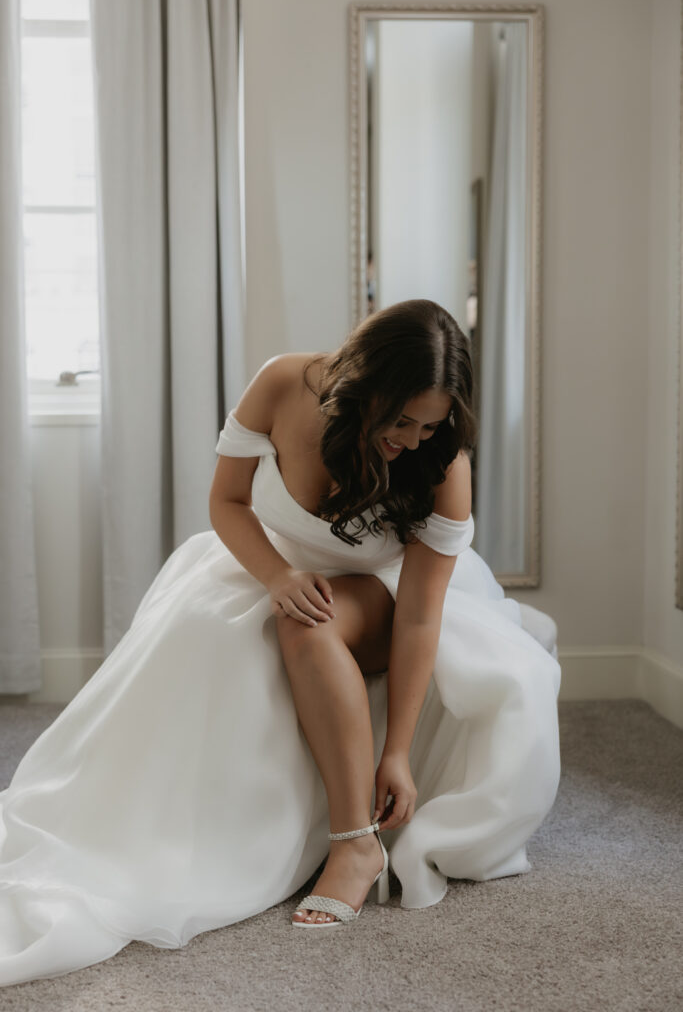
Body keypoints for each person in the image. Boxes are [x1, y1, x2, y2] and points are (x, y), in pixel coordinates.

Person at [0, 300, 561, 982]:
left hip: (383, 590)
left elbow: (418, 618)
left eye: (429, 425)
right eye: (400, 420)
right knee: (214, 633)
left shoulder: (442, 466)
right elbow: (226, 502)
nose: (412, 439)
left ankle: (354, 845)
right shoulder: (281, 383)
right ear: (364, 385)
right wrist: (275, 575)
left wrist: (398, 753)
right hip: (269, 563)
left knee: (306, 621)